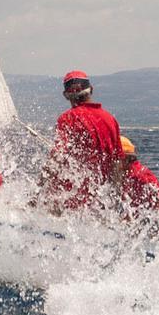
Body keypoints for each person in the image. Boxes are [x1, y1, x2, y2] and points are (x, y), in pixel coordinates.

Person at [37, 70, 124, 213]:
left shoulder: (67, 119)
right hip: (98, 203)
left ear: (66, 96)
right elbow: (117, 164)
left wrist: (36, 193)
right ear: (91, 90)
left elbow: (56, 159)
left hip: (67, 203)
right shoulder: (110, 119)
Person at [119, 135, 159, 229]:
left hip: (152, 231)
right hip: (133, 227)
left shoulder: (139, 174)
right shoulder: (123, 174)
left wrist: (153, 222)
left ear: (125, 159)